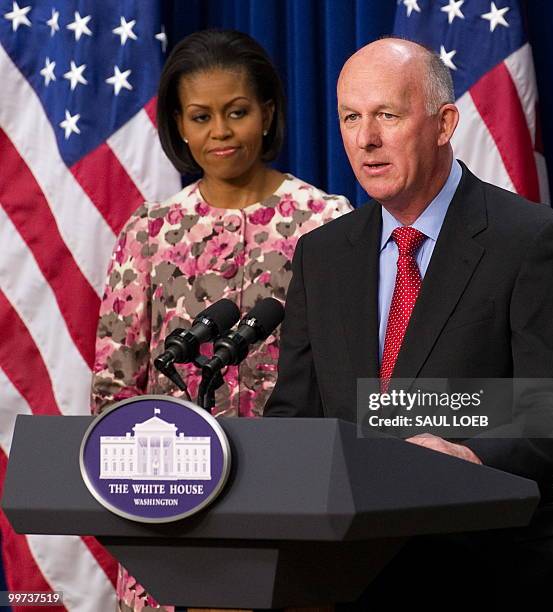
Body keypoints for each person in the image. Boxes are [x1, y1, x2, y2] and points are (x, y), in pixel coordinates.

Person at [264, 38, 553, 611]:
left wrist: (471, 457)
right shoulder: (323, 254)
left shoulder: (531, 240)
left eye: (386, 116)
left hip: (487, 575)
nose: (365, 139)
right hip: (349, 579)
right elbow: (296, 414)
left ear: (444, 124)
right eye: (351, 117)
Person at [90, 29, 350, 612]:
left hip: (294, 510)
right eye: (200, 117)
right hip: (168, 511)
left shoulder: (328, 222)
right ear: (178, 126)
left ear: (268, 112)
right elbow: (115, 386)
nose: (221, 133)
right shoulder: (149, 231)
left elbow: (349, 375)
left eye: (236, 112)